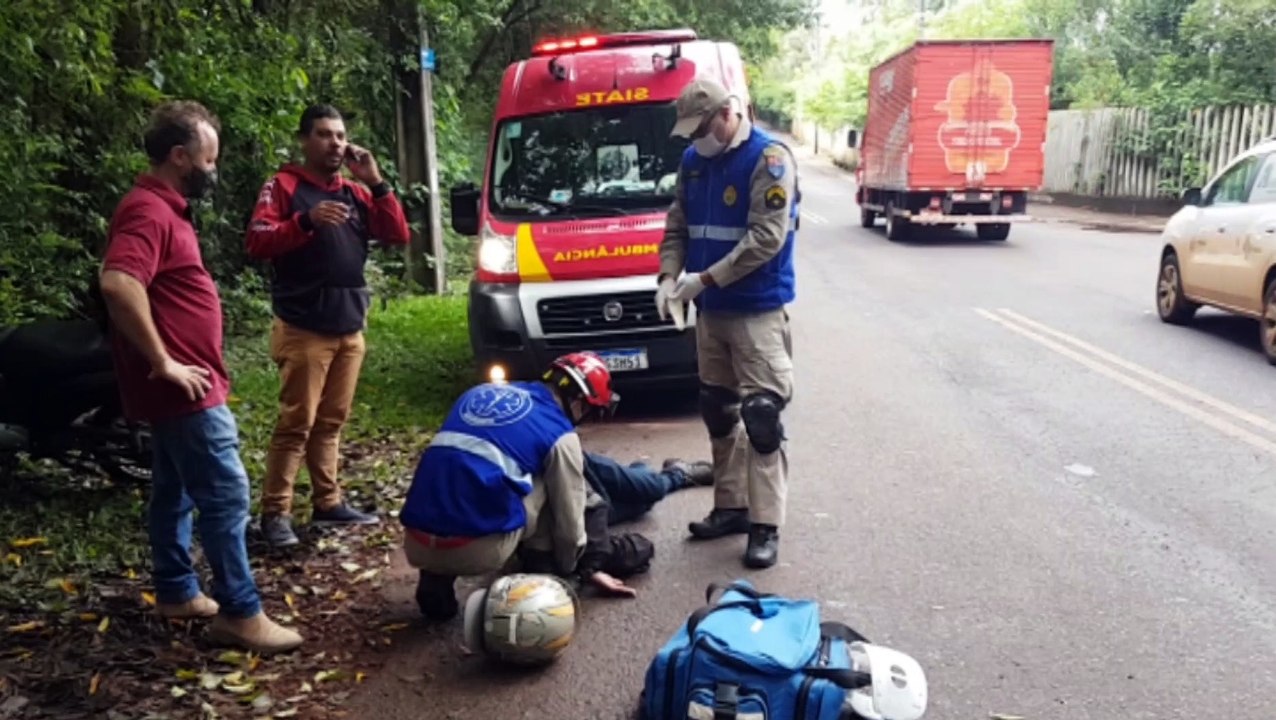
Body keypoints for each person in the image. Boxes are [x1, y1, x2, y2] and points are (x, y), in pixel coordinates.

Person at [98, 100, 303, 654]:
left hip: (183, 387)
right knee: (227, 493)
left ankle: (176, 590)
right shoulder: (148, 211)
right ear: (180, 156)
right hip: (185, 389)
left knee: (174, 489)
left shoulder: (164, 208)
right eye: (209, 159)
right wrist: (164, 361)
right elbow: (119, 283)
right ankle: (240, 612)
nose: (214, 169)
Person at [245, 103, 411, 548]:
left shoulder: (355, 193)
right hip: (303, 324)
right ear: (304, 140)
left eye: (339, 135)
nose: (334, 143)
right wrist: (304, 221)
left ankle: (328, 502)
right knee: (296, 422)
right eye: (323, 134)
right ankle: (274, 513)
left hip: (348, 323)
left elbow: (396, 234)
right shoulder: (283, 186)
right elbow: (258, 240)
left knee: (332, 421)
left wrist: (375, 181)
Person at [654, 78, 800, 570]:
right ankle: (731, 507)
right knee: (718, 409)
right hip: (711, 311)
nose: (695, 139)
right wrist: (668, 276)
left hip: (756, 309)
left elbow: (766, 238)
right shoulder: (694, 162)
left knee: (761, 416)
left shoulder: (768, 159)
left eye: (700, 128)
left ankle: (765, 524)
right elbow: (677, 225)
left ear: (724, 115)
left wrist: (705, 279)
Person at [398, 353, 657, 621]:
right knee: (553, 484)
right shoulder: (559, 433)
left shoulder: (476, 395)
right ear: (579, 402)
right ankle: (541, 569)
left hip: (416, 542)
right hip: (479, 552)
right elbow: (570, 519)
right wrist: (575, 566)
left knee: (459, 473)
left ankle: (435, 580)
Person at [584, 454, 712, 525]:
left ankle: (677, 475)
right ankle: (642, 471)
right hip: (580, 513)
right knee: (642, 503)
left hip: (582, 470)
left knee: (653, 489)